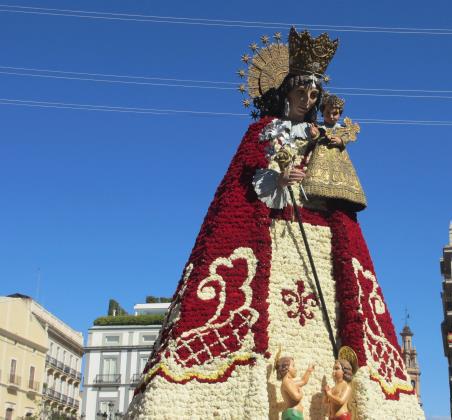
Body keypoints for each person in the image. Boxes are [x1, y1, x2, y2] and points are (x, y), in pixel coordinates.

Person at [126, 27, 423, 420]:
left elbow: (338, 181)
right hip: (276, 228)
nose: (308, 100)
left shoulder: (322, 134)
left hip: (321, 232)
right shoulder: (263, 132)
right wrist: (280, 179)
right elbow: (246, 185)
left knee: (333, 304)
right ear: (287, 93)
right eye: (302, 93)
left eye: (314, 94)